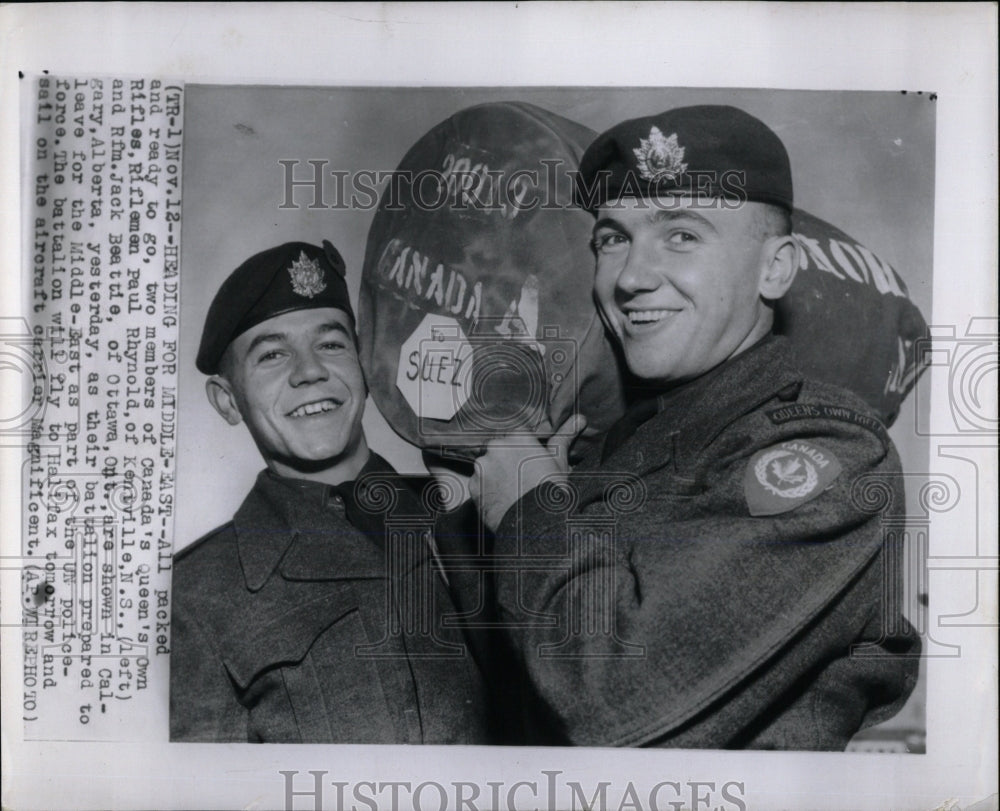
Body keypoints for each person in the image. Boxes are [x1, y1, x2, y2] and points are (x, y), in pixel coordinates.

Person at [471, 105, 921, 749]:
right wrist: (474, 506)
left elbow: (618, 704)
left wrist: (533, 508)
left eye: (681, 235)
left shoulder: (827, 451)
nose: (629, 277)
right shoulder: (609, 452)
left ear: (775, 268)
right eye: (612, 239)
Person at [170, 241, 490, 743]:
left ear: (365, 364)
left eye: (332, 344)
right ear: (227, 401)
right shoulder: (193, 597)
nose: (310, 370)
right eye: (272, 354)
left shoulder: (475, 509)